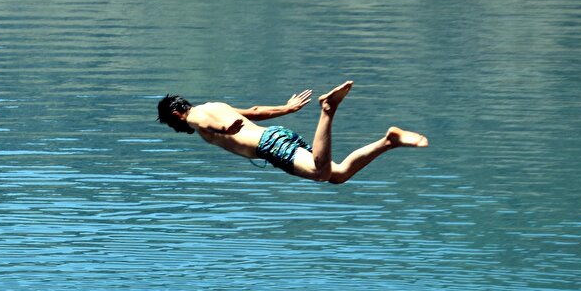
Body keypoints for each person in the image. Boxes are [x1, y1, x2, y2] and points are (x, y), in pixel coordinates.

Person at [156, 81, 427, 184]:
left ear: (176, 114)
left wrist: (223, 129)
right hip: (276, 135)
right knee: (338, 175)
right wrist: (287, 108)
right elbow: (256, 110)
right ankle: (389, 141)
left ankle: (328, 109)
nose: (176, 127)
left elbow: (205, 125)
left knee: (319, 173)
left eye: (172, 123)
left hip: (268, 147)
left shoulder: (194, 118)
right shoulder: (216, 104)